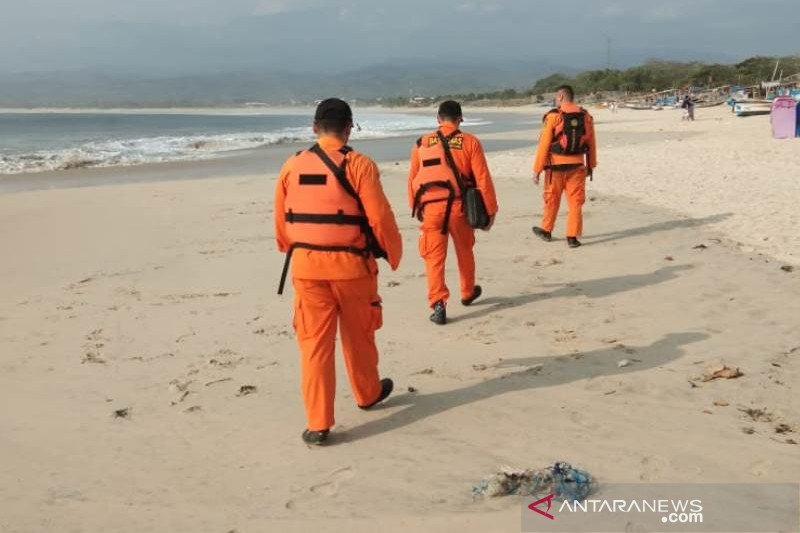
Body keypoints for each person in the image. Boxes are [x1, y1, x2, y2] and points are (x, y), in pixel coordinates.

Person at [274, 98, 403, 445]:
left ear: (314, 127)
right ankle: (367, 393)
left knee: (314, 346)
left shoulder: (292, 166)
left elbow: (282, 223)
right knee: (359, 336)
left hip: (306, 269)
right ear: (349, 128)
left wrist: (296, 250)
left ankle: (318, 424)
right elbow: (379, 216)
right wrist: (393, 252)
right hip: (352, 269)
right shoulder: (359, 164)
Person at [407, 100, 499, 325]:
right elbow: (482, 179)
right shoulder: (470, 142)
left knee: (433, 258)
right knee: (465, 250)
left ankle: (438, 303)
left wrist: (416, 208)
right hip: (459, 207)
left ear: (438, 119)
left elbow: (412, 180)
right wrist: (491, 211)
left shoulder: (421, 143)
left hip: (430, 209)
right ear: (460, 118)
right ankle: (467, 292)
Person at [532, 85, 597, 248]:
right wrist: (591, 165)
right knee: (575, 202)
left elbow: (544, 144)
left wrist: (537, 169)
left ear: (560, 97)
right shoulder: (586, 116)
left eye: (556, 97)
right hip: (577, 165)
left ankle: (547, 230)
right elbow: (591, 143)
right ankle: (572, 237)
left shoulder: (554, 116)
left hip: (555, 166)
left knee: (551, 199)